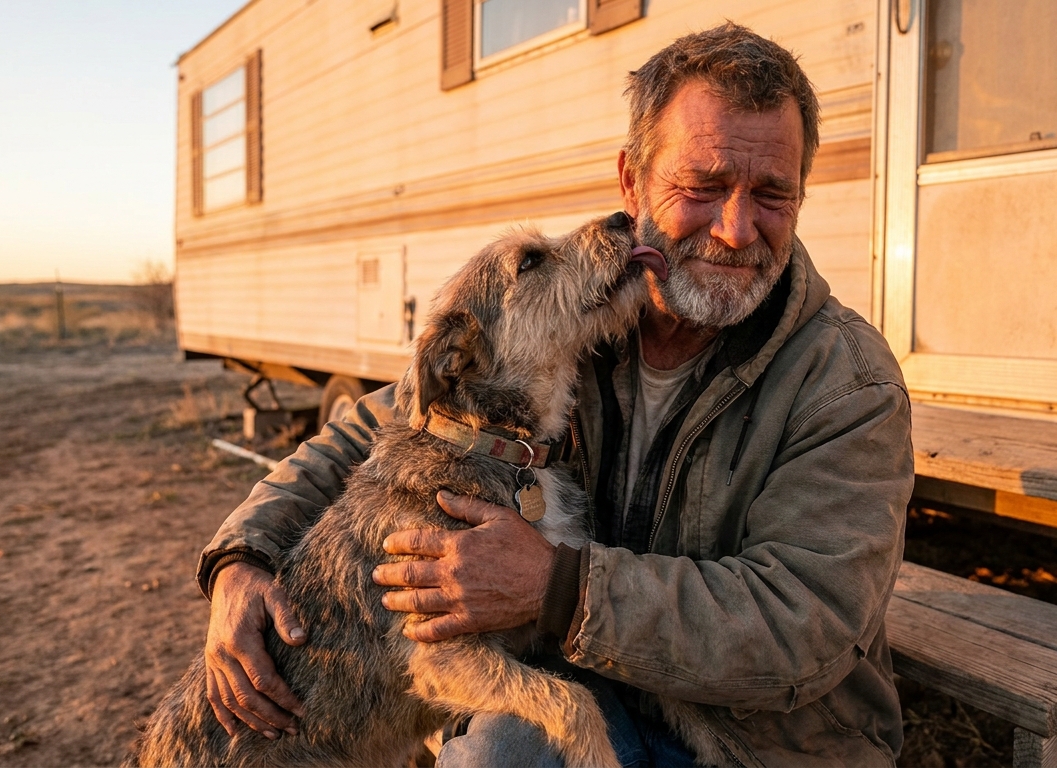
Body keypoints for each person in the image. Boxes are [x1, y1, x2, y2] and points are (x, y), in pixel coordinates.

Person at [195, 23, 914, 767]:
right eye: (703, 187)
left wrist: (560, 590)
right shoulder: (572, 326)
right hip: (591, 683)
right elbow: (367, 435)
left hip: (754, 740)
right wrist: (241, 558)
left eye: (771, 195)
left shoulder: (847, 384)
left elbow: (802, 622)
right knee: (499, 751)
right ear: (632, 183)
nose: (736, 230)